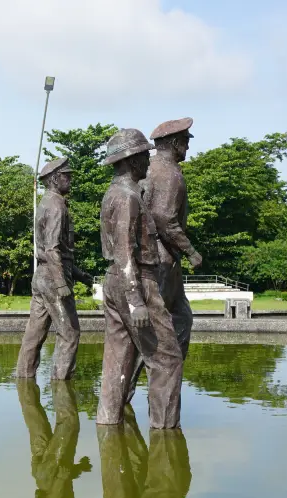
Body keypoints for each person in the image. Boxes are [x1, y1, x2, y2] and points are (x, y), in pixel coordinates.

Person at [97, 128, 184, 429]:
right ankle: (165, 437)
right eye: (145, 155)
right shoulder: (127, 197)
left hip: (116, 282)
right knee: (167, 360)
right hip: (136, 281)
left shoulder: (116, 193)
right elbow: (124, 252)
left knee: (118, 361)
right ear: (132, 161)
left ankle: (108, 425)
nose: (150, 160)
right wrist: (136, 301)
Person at [126, 117, 201, 405]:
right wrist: (191, 251)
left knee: (170, 322)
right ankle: (166, 383)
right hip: (162, 259)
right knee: (169, 327)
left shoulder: (149, 169)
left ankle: (140, 390)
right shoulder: (169, 173)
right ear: (173, 143)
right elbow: (165, 221)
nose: (187, 148)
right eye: (185, 142)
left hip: (156, 259)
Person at [15, 157, 94, 380]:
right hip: (52, 278)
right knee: (69, 333)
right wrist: (61, 283)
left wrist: (79, 275)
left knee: (34, 333)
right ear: (54, 179)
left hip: (42, 275)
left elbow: (54, 251)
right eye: (66, 176)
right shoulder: (56, 205)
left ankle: (24, 378)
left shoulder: (45, 203)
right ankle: (61, 384)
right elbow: (52, 249)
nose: (70, 180)